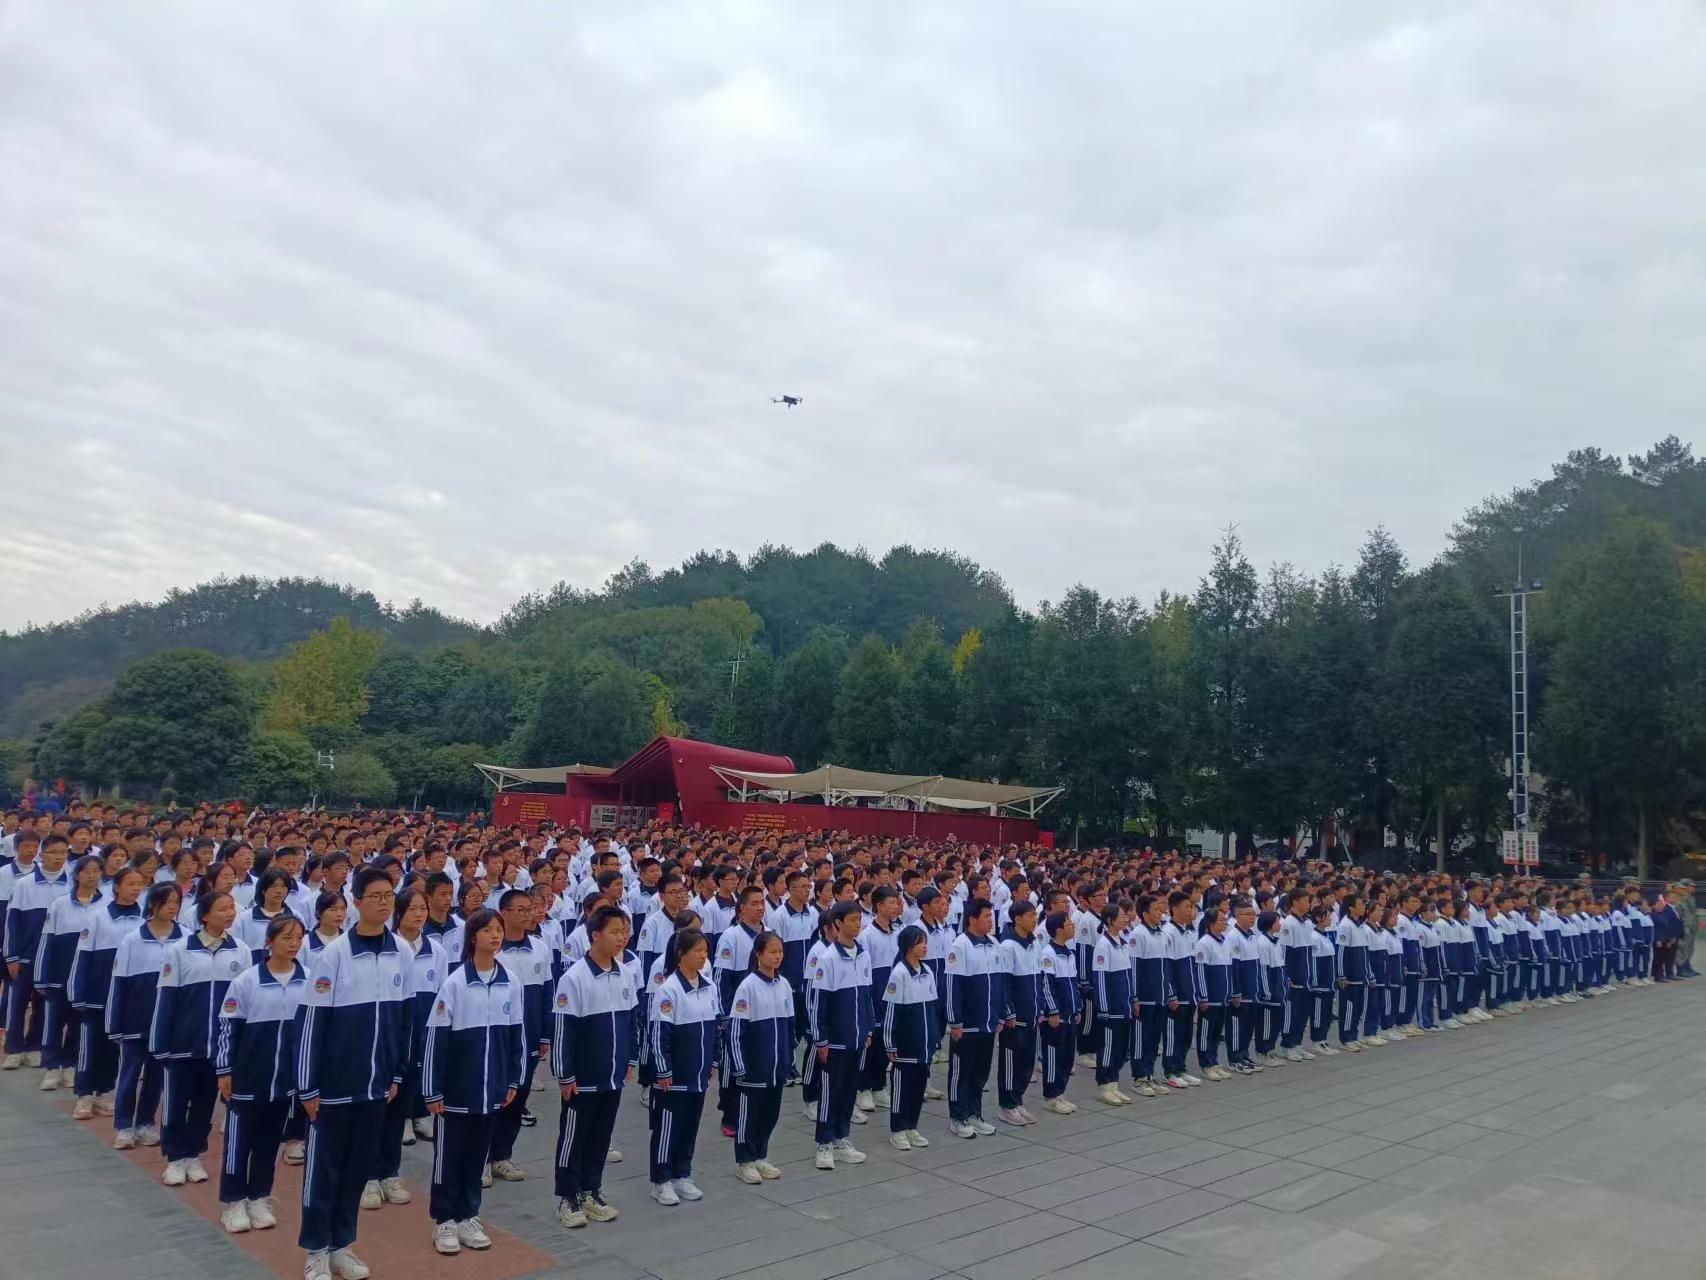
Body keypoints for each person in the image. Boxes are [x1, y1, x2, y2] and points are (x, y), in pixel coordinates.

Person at [297, 865, 411, 1280]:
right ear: (357, 903)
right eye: (376, 896)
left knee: (356, 1171)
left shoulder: (402, 950)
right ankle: (315, 1250)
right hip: (333, 1087)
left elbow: (404, 1020)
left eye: (389, 896)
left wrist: (397, 1074)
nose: (384, 903)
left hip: (376, 1088)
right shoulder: (334, 955)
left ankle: (342, 1245)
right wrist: (308, 1085)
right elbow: (311, 1022)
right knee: (323, 1171)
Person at [422, 906, 524, 1255]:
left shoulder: (511, 982)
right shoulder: (454, 984)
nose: (495, 935)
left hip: (491, 1088)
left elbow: (516, 1035)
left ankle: (468, 1215)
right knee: (449, 1156)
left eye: (498, 929)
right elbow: (436, 1039)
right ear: (473, 937)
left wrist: (513, 1078)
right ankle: (444, 1221)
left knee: (477, 1156)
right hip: (456, 1090)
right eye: (487, 930)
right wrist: (432, 1088)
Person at [216, 913, 308, 1234]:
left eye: (298, 937)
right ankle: (233, 1200)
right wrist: (225, 1069)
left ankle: (259, 1196)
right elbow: (228, 1027)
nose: (293, 944)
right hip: (247, 1078)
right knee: (239, 1142)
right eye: (286, 937)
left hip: (285, 1082)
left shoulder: (308, 980)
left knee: (270, 1142)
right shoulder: (246, 981)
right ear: (269, 942)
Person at [151, 888, 245, 1186]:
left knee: (205, 1105)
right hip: (182, 1045)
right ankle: (175, 1158)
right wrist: (160, 1043)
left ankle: (193, 1154)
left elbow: (242, 1003)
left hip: (219, 1048)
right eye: (222, 909)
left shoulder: (240, 950)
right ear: (204, 915)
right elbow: (165, 999)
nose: (230, 913)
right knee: (177, 1103)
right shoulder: (180, 950)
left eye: (232, 908)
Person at [552, 903, 636, 1228]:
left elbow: (630, 1022)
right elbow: (563, 1029)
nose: (621, 938)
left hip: (612, 1075)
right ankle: (567, 1197)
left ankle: (591, 1190)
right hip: (582, 1078)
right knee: (574, 1136)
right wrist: (565, 1072)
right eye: (615, 932)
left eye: (624, 932)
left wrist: (628, 1059)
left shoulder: (626, 972)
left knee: (601, 1136)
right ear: (595, 935)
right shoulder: (574, 978)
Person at [109, 882, 184, 1148]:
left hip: (166, 1024)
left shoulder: (185, 938)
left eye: (176, 901)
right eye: (166, 902)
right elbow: (119, 984)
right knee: (130, 1073)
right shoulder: (133, 939)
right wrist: (114, 1024)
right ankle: (123, 1124)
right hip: (135, 1021)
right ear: (152, 904)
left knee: (156, 1075)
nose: (171, 907)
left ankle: (145, 1122)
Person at [68, 863, 147, 1116]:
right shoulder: (98, 916)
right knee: (91, 1043)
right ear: (116, 887)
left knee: (115, 1045)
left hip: (128, 994)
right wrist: (78, 993)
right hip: (98, 991)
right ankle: (84, 1093)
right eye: (130, 884)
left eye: (139, 884)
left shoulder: (145, 917)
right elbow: (83, 957)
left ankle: (105, 1091)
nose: (136, 889)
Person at [485, 889, 553, 1184]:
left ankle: (502, 1155)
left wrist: (545, 1034)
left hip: (529, 1035)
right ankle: (482, 1158)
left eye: (531, 910)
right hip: (496, 1036)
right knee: (492, 1097)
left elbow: (548, 992)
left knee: (518, 1097)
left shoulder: (539, 946)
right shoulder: (492, 948)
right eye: (522, 910)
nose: (528, 915)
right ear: (504, 912)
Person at [648, 927, 719, 1206]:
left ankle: (682, 1174)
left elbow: (716, 1028)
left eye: (705, 951)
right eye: (697, 951)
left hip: (698, 1074)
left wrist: (713, 1059)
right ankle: (661, 1180)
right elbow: (659, 1035)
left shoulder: (710, 987)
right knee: (667, 1128)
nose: (703, 956)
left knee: (690, 1126)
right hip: (673, 1076)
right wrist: (663, 1070)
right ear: (681, 954)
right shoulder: (668, 990)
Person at [808, 901, 873, 1168]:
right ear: (837, 924)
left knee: (848, 1091)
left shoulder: (864, 954)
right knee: (830, 1091)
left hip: (857, 1037)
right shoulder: (828, 959)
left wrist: (868, 1028)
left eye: (859, 919)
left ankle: (841, 1137)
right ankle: (824, 1143)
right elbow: (818, 1003)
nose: (857, 925)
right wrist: (820, 1039)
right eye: (852, 920)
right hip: (834, 1040)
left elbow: (867, 996)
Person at [35, 852, 105, 1093]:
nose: (92, 876)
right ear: (77, 875)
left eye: (96, 871)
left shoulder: (105, 905)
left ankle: (69, 1065)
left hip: (88, 978)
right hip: (59, 974)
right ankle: (51, 1067)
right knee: (53, 1022)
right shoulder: (60, 904)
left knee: (78, 1024)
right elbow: (46, 941)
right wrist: (40, 976)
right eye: (87, 871)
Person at [728, 929, 792, 1181]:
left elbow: (788, 1026)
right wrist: (740, 1065)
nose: (777, 957)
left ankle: (760, 1156)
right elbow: (736, 1031)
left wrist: (787, 1060)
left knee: (770, 1113)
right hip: (754, 1066)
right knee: (749, 1115)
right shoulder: (748, 987)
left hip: (777, 1066)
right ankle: (744, 1160)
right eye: (772, 952)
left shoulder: (784, 984)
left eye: (780, 952)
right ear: (758, 954)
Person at [945, 897, 1004, 1139]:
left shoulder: (993, 943)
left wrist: (1000, 1013)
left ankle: (974, 1113)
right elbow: (953, 986)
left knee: (981, 1071)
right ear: (972, 919)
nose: (991, 920)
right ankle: (958, 1116)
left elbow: (999, 983)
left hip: (988, 1021)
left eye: (992, 916)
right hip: (967, 1024)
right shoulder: (960, 946)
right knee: (962, 1071)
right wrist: (955, 1021)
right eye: (986, 917)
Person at [881, 923, 937, 1148]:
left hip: (924, 1045)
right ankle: (897, 1129)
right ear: (907, 946)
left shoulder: (928, 971)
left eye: (925, 942)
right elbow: (891, 1011)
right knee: (902, 1089)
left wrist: (933, 1039)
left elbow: (932, 1008)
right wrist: (890, 1043)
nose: (924, 946)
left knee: (918, 1089)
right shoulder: (899, 973)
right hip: (906, 1045)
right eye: (919, 942)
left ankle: (912, 1127)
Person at [996, 899, 1043, 1125]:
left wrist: (1040, 1006)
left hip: (1032, 1014)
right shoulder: (1007, 946)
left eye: (1035, 915)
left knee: (1027, 1063)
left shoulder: (1034, 944)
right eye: (1030, 915)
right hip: (1015, 1019)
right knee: (1011, 1063)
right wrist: (1008, 1012)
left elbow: (1039, 980)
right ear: (1017, 919)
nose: (1034, 919)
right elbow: (1003, 982)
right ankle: (1007, 1105)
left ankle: (1018, 1100)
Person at [1037, 910, 1079, 1113]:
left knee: (1067, 1057)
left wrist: (1077, 1007)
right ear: (1059, 929)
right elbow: (1047, 985)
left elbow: (1073, 984)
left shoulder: (1070, 953)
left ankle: (1061, 1093)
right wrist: (1053, 1012)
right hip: (1056, 1017)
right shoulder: (1048, 954)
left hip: (1070, 1014)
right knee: (1053, 1056)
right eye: (1069, 923)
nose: (1073, 926)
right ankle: (1051, 1095)